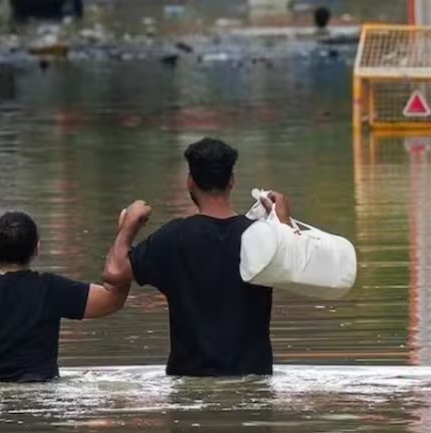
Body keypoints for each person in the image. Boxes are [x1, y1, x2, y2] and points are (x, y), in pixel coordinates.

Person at [104, 138, 293, 377]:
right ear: (232, 181)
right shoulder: (262, 237)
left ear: (190, 182)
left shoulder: (173, 238)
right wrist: (283, 224)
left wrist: (129, 225)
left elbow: (114, 272)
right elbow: (298, 268)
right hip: (254, 379)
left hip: (189, 381)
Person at [0, 203, 152, 382]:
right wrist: (125, 234)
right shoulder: (51, 288)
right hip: (39, 389)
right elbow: (113, 299)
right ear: (37, 248)